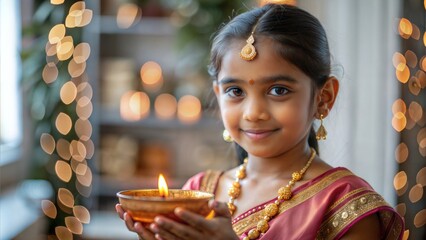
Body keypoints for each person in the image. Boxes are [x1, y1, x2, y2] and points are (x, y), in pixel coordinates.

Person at [116, 3, 404, 240]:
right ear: (218, 95)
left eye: (278, 90)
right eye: (235, 91)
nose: (253, 113)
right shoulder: (200, 192)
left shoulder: (347, 205)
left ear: (323, 98)